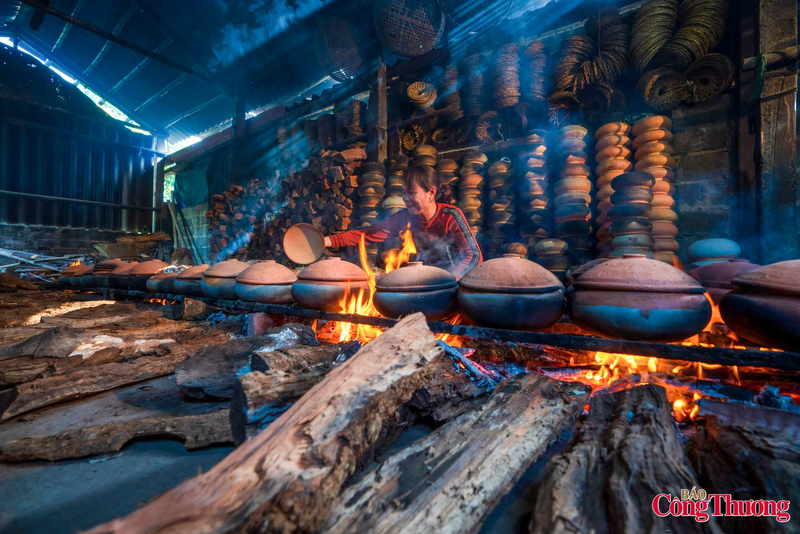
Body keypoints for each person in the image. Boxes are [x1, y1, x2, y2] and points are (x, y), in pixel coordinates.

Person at [323, 164, 482, 277]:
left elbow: (474, 255)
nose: (405, 199)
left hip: (452, 284)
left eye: (411, 193)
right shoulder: (405, 217)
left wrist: (452, 280)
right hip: (423, 282)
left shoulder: (450, 216)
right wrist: (325, 241)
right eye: (404, 193)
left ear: (431, 192)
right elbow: (365, 234)